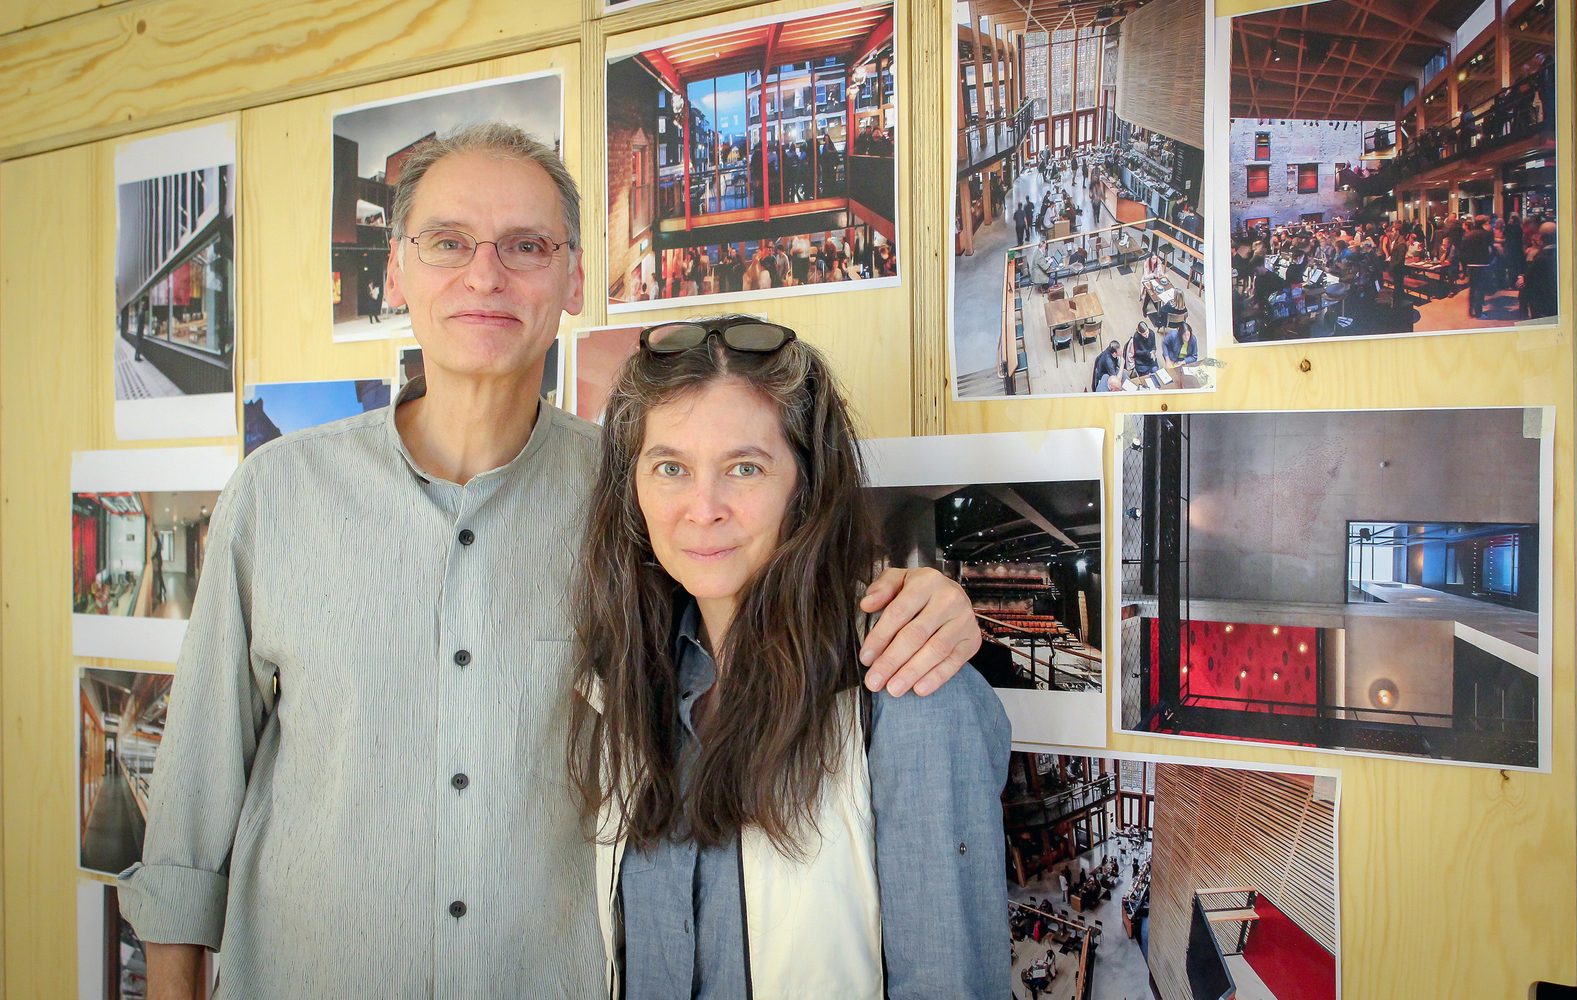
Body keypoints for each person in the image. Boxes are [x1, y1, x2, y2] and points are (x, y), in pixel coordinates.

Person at [117, 123, 982, 999]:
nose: (485, 274)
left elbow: (754, 607)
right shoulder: (276, 494)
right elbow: (191, 811)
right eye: (447, 242)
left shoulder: (632, 498)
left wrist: (929, 599)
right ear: (396, 271)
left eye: (526, 246)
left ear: (573, 280)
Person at [569, 320, 1011, 997]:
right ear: (632, 488)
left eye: (745, 468)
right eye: (670, 468)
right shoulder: (621, 684)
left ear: (805, 486)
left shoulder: (904, 688)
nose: (703, 508)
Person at [1459, 214, 1493, 317]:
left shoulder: (1468, 235)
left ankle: (1471, 309)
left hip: (1471, 264)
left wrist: (1464, 266)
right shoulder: (1487, 234)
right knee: (1480, 288)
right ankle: (1478, 312)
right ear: (1484, 223)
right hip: (1483, 263)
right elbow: (1491, 249)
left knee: (1472, 288)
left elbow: (1463, 251)